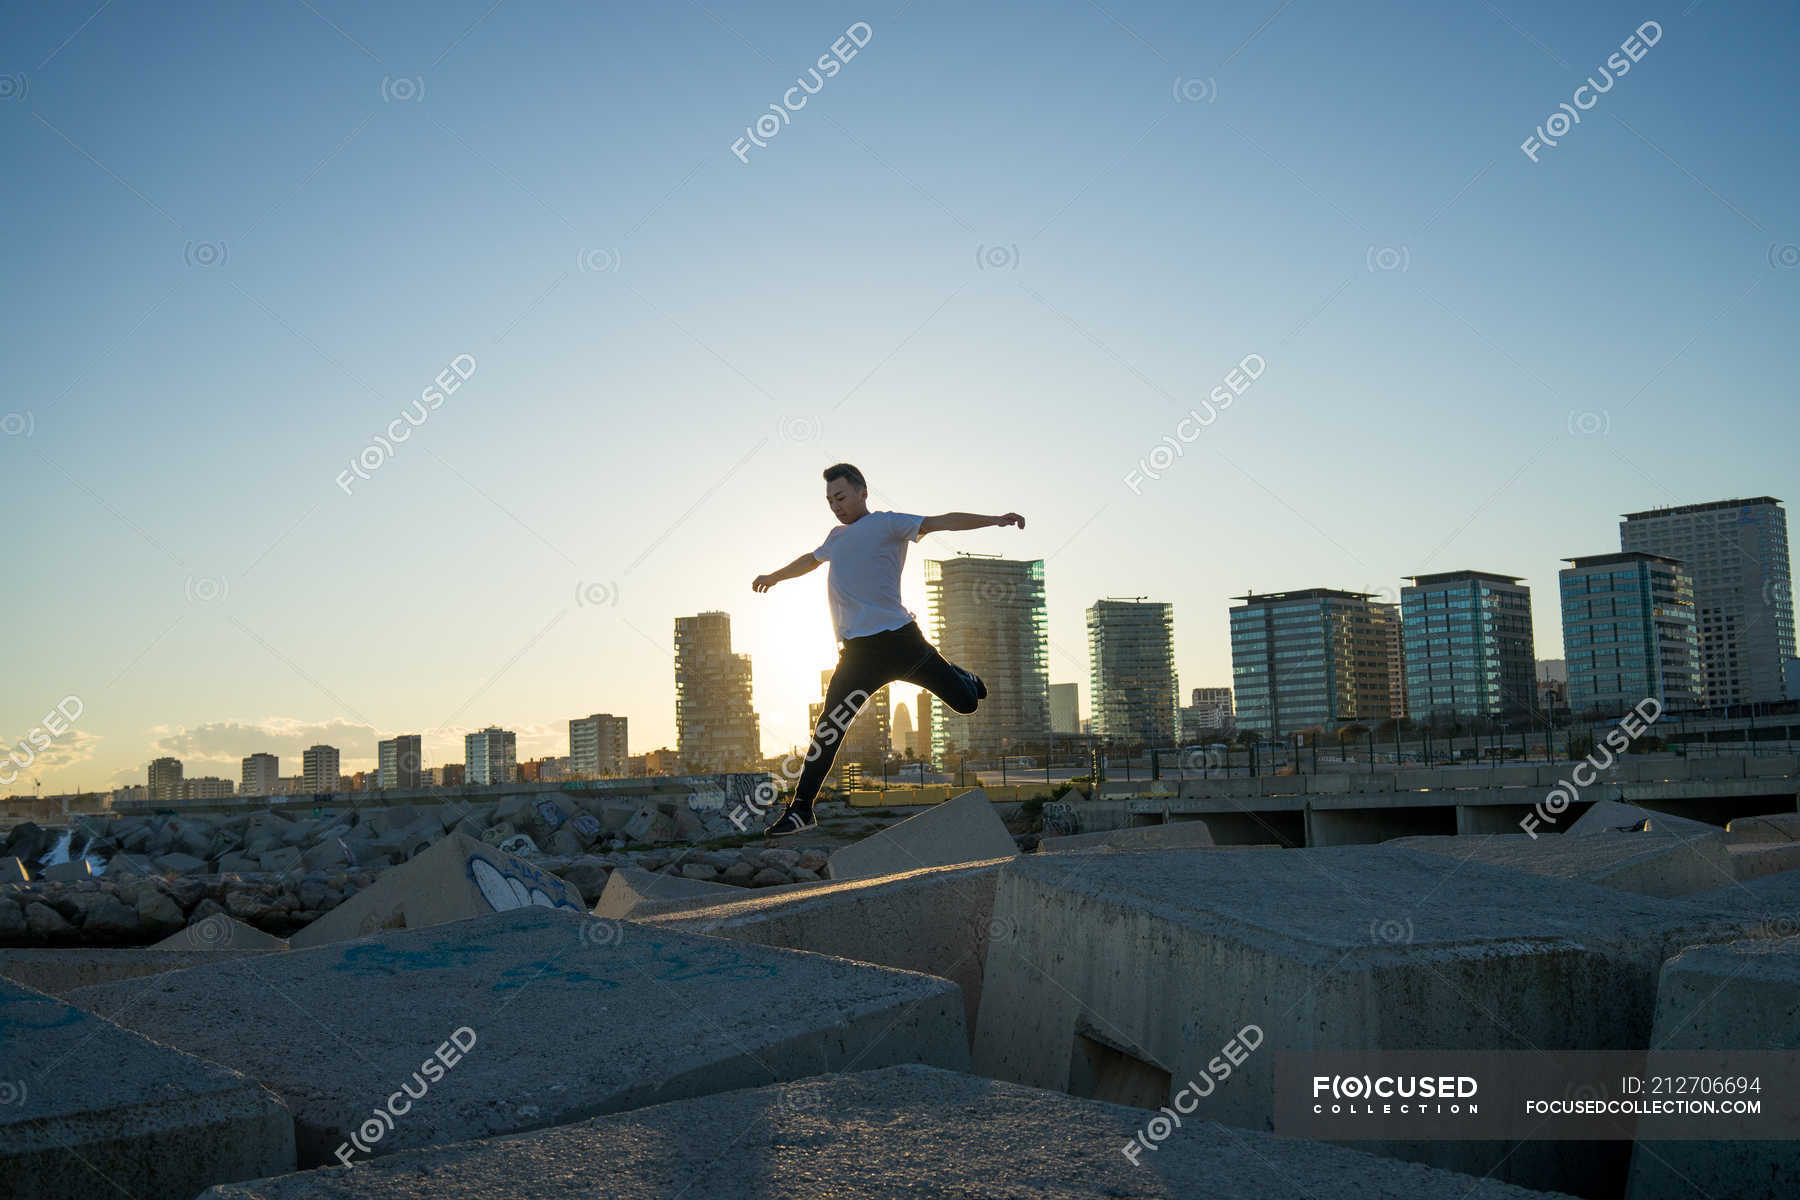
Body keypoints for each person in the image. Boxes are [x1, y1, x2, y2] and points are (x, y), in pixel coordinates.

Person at [750, 462, 1025, 836]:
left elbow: (943, 520)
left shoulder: (889, 523)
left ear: (863, 492)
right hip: (857, 656)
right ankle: (801, 810)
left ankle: (964, 676)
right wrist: (774, 577)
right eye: (830, 500)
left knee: (966, 701)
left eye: (841, 497)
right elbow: (809, 561)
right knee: (828, 729)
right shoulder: (835, 536)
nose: (836, 506)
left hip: (901, 643)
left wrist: (995, 520)